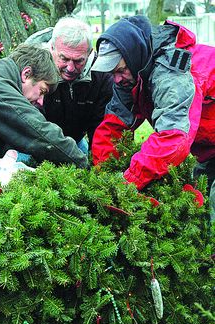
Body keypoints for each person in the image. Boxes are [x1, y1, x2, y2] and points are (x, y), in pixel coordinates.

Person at [91, 15, 215, 221]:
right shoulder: (132, 74)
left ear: (134, 56)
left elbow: (173, 139)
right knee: (199, 214)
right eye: (113, 73)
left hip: (204, 143)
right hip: (208, 149)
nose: (117, 79)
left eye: (120, 70)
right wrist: (104, 177)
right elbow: (113, 128)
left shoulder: (172, 73)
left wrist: (129, 181)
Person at [0, 43, 88, 169]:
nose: (41, 102)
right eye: (42, 91)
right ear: (26, 74)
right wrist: (82, 165)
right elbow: (37, 130)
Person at [25, 16, 113, 154]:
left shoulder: (102, 76)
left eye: (78, 61)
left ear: (89, 53)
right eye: (64, 59)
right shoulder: (32, 68)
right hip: (33, 140)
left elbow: (100, 127)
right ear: (52, 47)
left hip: (74, 141)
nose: (70, 68)